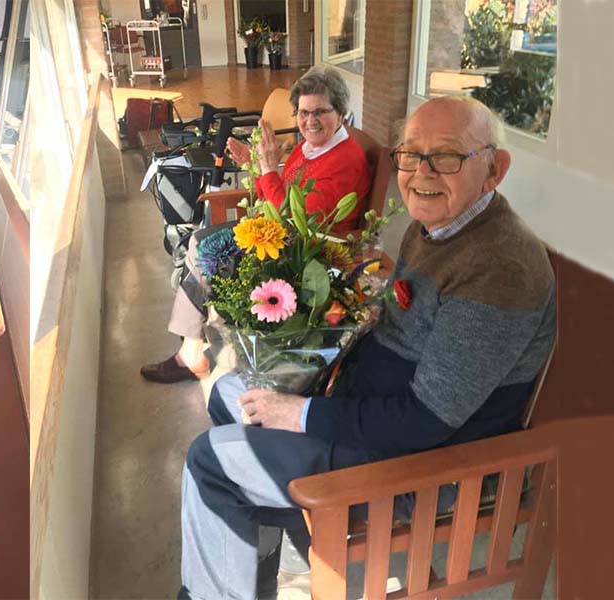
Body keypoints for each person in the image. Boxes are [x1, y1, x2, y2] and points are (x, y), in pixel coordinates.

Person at [179, 96, 556, 599]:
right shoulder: (441, 226)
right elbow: (411, 322)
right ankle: (257, 564)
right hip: (366, 412)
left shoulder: (500, 269)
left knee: (211, 461)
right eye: (410, 154)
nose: (421, 173)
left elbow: (425, 421)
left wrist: (301, 413)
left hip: (420, 464)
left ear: (494, 169)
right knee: (230, 393)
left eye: (446, 156)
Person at [141, 67, 372, 383]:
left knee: (203, 246)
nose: (310, 121)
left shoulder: (344, 159)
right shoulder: (309, 147)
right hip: (279, 234)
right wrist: (255, 165)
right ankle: (192, 349)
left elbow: (294, 219)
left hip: (308, 250)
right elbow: (274, 198)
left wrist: (266, 169)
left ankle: (191, 354)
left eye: (321, 111)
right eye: (303, 112)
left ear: (341, 113)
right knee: (200, 242)